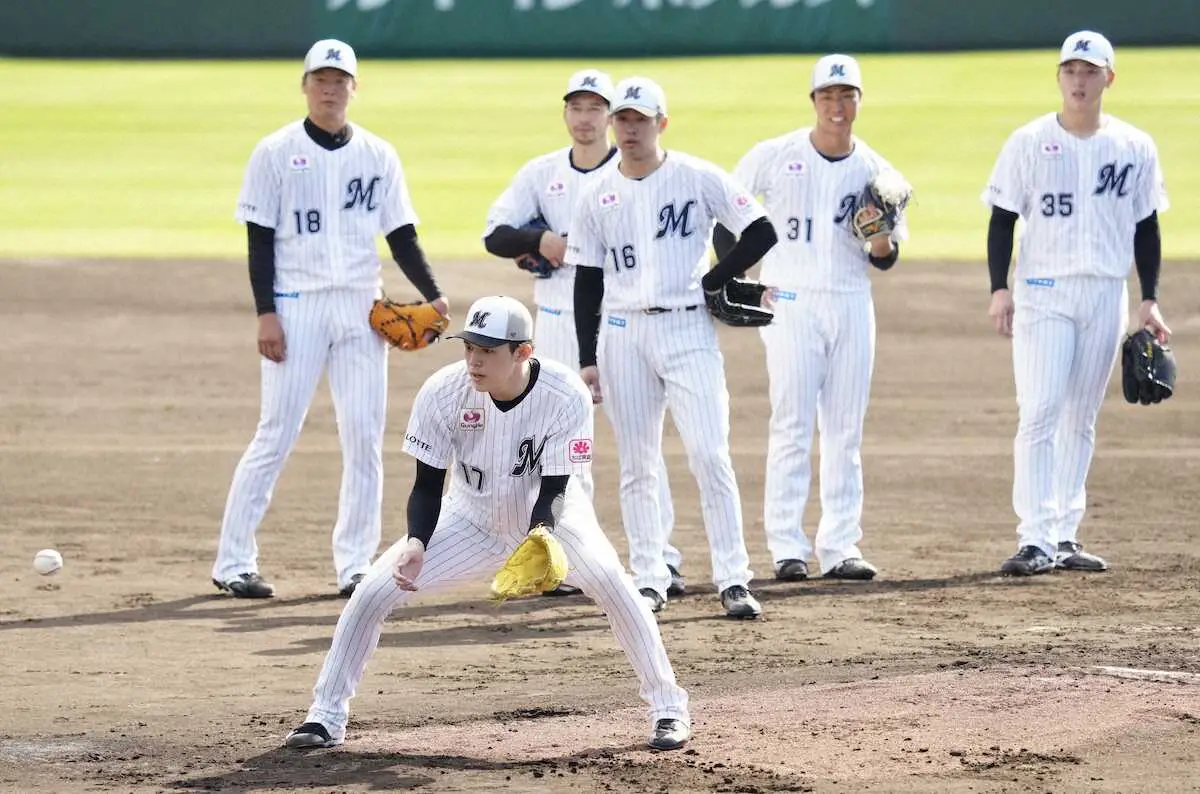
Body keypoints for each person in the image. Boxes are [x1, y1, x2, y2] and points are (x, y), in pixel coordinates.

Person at [282, 295, 691, 752]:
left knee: (615, 585)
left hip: (551, 521)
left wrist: (540, 536)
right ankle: (325, 716)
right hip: (469, 520)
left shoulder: (565, 394)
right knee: (373, 591)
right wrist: (417, 541)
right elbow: (426, 486)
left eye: (487, 351)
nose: (473, 361)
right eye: (469, 347)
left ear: (522, 352)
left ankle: (668, 707)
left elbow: (555, 489)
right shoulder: (443, 392)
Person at [212, 39, 449, 599]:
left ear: (353, 88)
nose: (330, 89)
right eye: (320, 79)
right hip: (297, 305)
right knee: (276, 432)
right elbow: (259, 242)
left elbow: (401, 236)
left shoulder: (378, 155)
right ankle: (233, 561)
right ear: (305, 86)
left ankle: (355, 564)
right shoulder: (275, 152)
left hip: (362, 309)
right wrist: (266, 314)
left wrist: (433, 295)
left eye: (340, 80)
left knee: (364, 438)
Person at [569, 76, 778, 619]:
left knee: (709, 454)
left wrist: (716, 278)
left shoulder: (697, 176)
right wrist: (587, 358)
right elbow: (587, 279)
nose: (629, 128)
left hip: (687, 330)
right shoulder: (596, 193)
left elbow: (760, 231)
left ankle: (733, 577)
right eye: (622, 118)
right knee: (637, 462)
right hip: (622, 334)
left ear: (661, 123)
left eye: (640, 119)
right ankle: (649, 577)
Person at [482, 69, 684, 598]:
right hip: (554, 320)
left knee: (640, 444)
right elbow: (495, 234)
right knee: (563, 446)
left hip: (619, 318)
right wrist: (539, 240)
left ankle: (661, 557)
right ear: (566, 113)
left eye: (596, 108)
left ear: (611, 117)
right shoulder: (542, 173)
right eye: (577, 107)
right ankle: (573, 559)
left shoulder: (635, 171)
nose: (586, 118)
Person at [982, 31, 1170, 576]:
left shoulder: (1134, 146)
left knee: (1081, 418)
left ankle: (1063, 534)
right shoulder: (1028, 141)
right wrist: (999, 288)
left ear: (1109, 77)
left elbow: (1147, 226)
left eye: (1090, 71)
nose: (1079, 80)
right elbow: (1002, 218)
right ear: (1059, 77)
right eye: (1070, 70)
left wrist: (1149, 299)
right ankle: (1034, 537)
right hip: (1043, 290)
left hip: (1106, 292)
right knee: (1040, 410)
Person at [721, 54, 907, 583]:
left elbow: (886, 258)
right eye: (828, 96)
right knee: (793, 421)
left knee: (845, 427)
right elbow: (727, 209)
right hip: (790, 301)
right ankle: (787, 546)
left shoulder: (877, 171)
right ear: (814, 101)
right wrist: (733, 276)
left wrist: (879, 237)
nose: (837, 106)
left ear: (859, 101)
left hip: (850, 300)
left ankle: (840, 545)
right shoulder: (775, 155)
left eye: (847, 96)